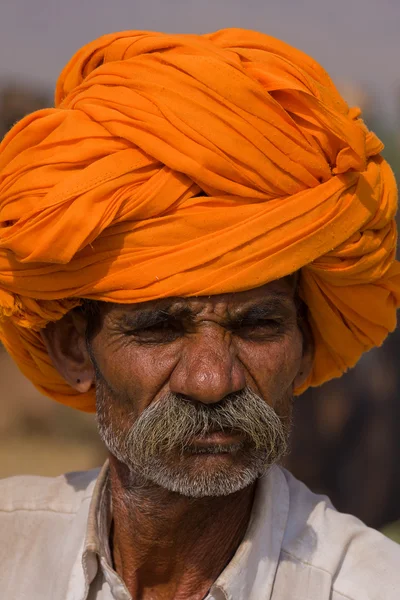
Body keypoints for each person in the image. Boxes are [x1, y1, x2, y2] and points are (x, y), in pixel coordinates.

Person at [0, 28, 399, 600]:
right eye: (158, 328)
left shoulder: (371, 588)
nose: (212, 381)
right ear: (71, 348)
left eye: (257, 326)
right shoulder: (10, 553)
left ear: (306, 341)